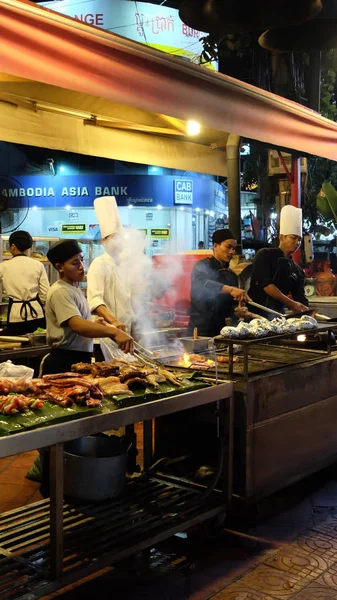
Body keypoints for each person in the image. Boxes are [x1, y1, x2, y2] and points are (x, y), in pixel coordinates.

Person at [42, 239, 133, 375]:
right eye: (75, 263)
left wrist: (95, 324)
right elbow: (77, 325)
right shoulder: (60, 291)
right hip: (64, 360)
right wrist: (114, 332)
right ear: (60, 267)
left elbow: (77, 322)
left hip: (78, 358)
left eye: (82, 260)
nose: (81, 266)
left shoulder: (74, 288)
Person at [87, 197, 142, 335]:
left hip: (126, 331)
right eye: (114, 237)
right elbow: (95, 301)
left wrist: (137, 324)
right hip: (106, 332)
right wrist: (114, 322)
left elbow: (131, 301)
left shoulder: (127, 265)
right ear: (103, 241)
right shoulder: (98, 264)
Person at [188, 229, 249, 337]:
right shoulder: (203, 265)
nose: (232, 252)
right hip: (200, 330)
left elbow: (230, 305)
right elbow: (202, 283)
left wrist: (237, 311)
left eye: (234, 248)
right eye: (228, 247)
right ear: (215, 246)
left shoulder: (231, 275)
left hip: (222, 332)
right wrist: (230, 289)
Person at [248, 205, 308, 315]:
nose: (297, 242)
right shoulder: (264, 255)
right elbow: (266, 285)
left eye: (299, 239)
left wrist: (306, 311)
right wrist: (292, 304)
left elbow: (299, 297)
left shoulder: (297, 270)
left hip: (278, 317)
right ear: (281, 237)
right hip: (255, 315)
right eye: (293, 238)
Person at [0, 230, 49, 335]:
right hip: (37, 312)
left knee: (17, 345)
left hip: (16, 314)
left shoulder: (4, 266)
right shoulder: (38, 264)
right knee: (38, 344)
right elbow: (45, 292)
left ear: (13, 246)